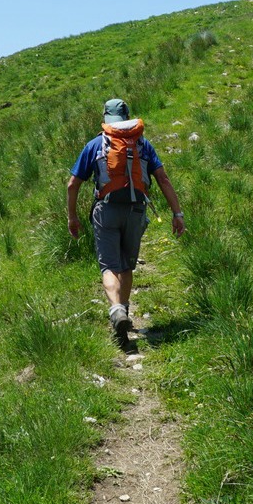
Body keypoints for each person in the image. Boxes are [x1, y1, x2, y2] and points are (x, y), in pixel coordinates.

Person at [67, 99, 185, 347]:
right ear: (128, 116)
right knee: (127, 265)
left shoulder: (96, 144)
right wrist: (177, 214)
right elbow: (162, 178)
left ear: (106, 118)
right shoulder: (143, 144)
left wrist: (72, 217)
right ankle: (125, 312)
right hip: (136, 210)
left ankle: (116, 311)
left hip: (106, 210)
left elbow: (72, 184)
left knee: (109, 266)